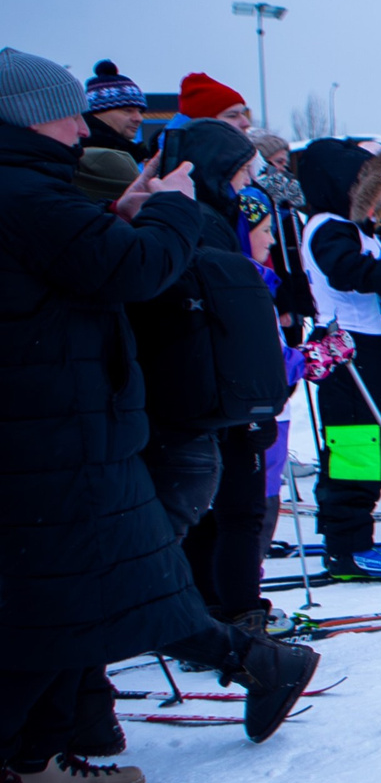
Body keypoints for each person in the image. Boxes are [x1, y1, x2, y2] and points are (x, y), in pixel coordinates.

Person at [1, 50, 317, 783]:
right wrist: (169, 209)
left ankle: (45, 746)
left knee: (96, 584)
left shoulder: (39, 189)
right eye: (67, 112)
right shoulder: (27, 191)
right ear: (25, 113)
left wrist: (124, 214)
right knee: (93, 585)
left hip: (77, 420)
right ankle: (245, 662)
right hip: (53, 427)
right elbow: (137, 273)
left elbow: (84, 262)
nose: (82, 127)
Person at [126, 124, 291, 631]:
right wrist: (257, 397)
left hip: (200, 387)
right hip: (216, 389)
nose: (247, 185)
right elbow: (228, 317)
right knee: (235, 511)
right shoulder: (200, 221)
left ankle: (203, 611)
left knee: (206, 512)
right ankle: (237, 613)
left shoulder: (196, 216)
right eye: (243, 172)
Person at [297, 138, 381, 576]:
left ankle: (356, 536)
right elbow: (346, 269)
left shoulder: (361, 225)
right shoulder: (328, 226)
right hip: (347, 346)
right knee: (355, 448)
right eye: (366, 182)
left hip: (376, 345)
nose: (375, 191)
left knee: (374, 446)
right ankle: (345, 545)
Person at [82, 61, 149, 159]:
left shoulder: (127, 152)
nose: (139, 118)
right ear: (97, 112)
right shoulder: (91, 156)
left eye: (140, 111)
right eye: (128, 110)